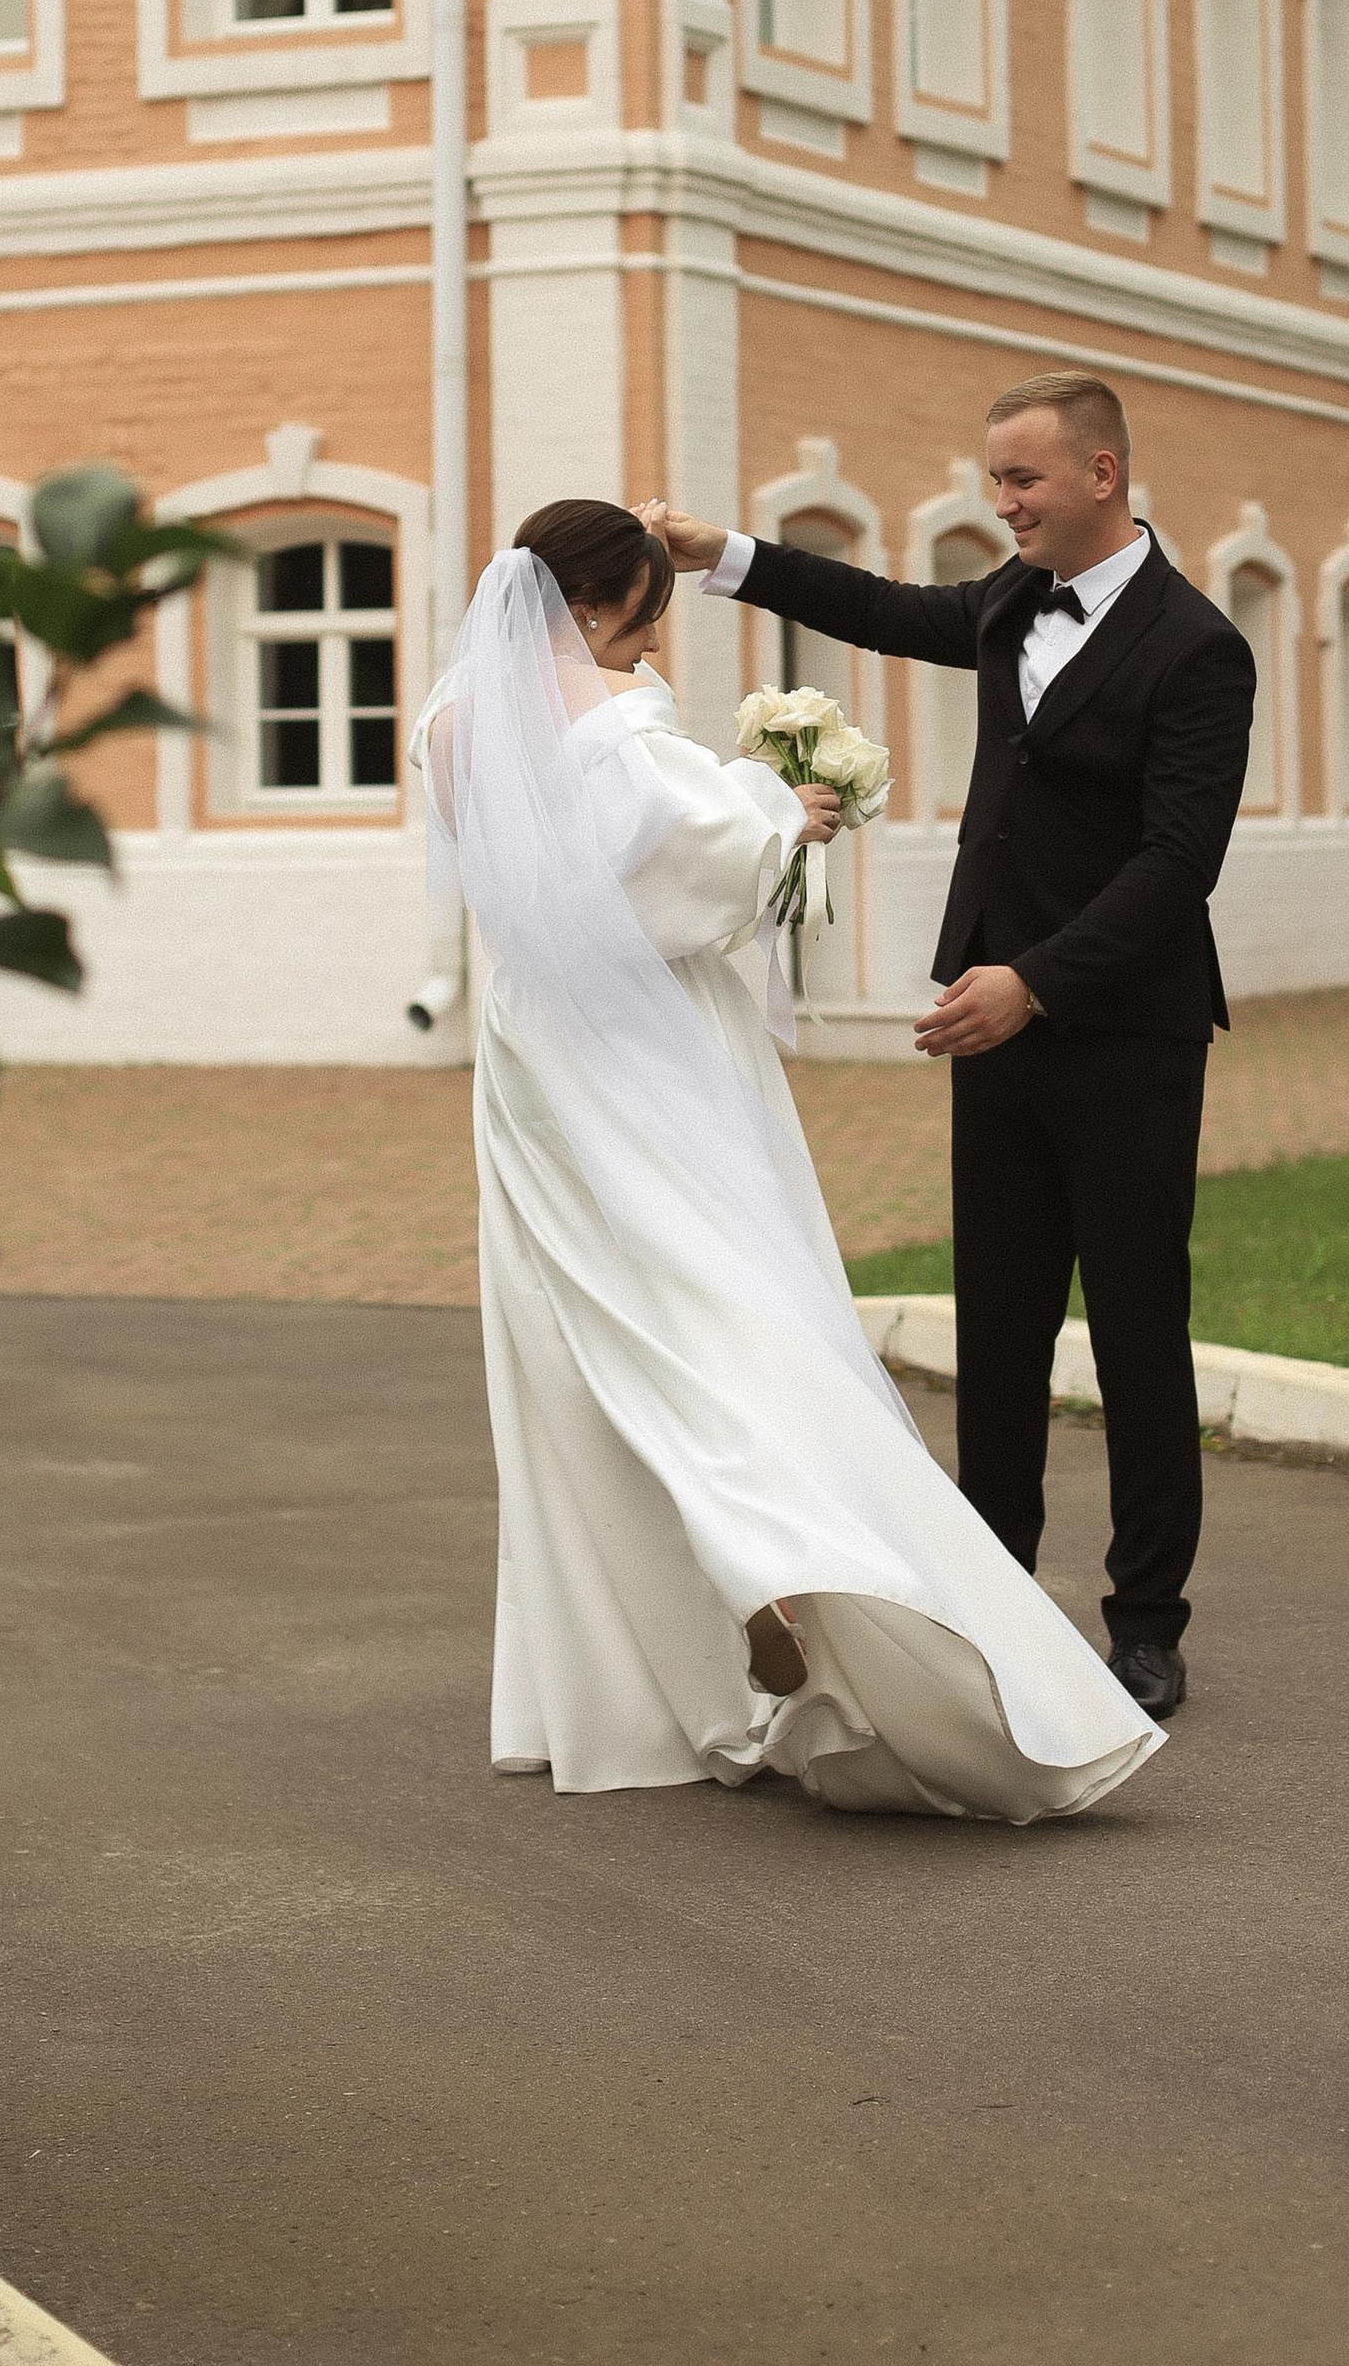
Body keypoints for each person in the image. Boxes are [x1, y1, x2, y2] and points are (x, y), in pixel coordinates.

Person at [416, 496, 1161, 1818]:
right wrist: (791, 812)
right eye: (646, 618)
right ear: (599, 612)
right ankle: (809, 1567)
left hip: (534, 1056)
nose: (654, 648)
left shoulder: (453, 723)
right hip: (653, 1059)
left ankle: (631, 1668)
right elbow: (697, 886)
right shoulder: (624, 732)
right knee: (739, 1309)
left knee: (587, 1340)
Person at [643, 375, 1255, 1723]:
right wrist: (721, 558)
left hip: (1125, 1035)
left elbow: (1177, 864)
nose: (1004, 504)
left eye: (1024, 481)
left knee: (1141, 1332)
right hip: (993, 1025)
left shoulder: (1197, 648)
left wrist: (1035, 982)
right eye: (994, 480)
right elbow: (874, 607)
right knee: (1002, 1328)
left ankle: (1148, 1624)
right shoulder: (1004, 606)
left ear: (1102, 474)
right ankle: (989, 1602)